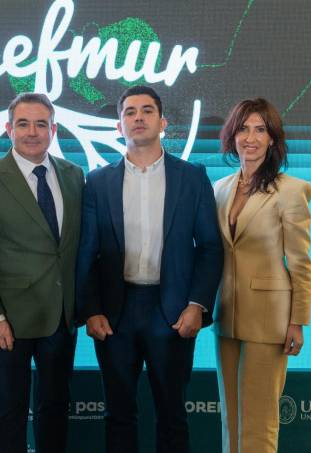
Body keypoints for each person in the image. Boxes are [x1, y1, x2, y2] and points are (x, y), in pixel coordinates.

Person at [76, 85, 223, 453]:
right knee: (118, 415)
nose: (138, 117)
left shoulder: (192, 177)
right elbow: (86, 252)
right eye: (129, 112)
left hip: (172, 310)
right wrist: (91, 309)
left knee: (172, 414)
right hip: (115, 312)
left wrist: (197, 305)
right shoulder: (97, 182)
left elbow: (209, 247)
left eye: (146, 111)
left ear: (163, 122)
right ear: (119, 126)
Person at [0, 92, 84, 453]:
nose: (33, 132)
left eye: (41, 124)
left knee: (55, 407)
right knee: (12, 410)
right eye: (23, 124)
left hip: (61, 316)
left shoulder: (74, 175)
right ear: (8, 129)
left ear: (54, 130)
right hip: (9, 321)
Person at [213, 98, 311, 453]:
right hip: (226, 313)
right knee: (231, 417)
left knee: (259, 420)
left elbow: (300, 263)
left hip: (270, 319)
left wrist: (298, 321)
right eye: (243, 129)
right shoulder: (219, 188)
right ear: (232, 136)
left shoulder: (291, 190)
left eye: (260, 130)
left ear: (272, 139)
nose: (250, 138)